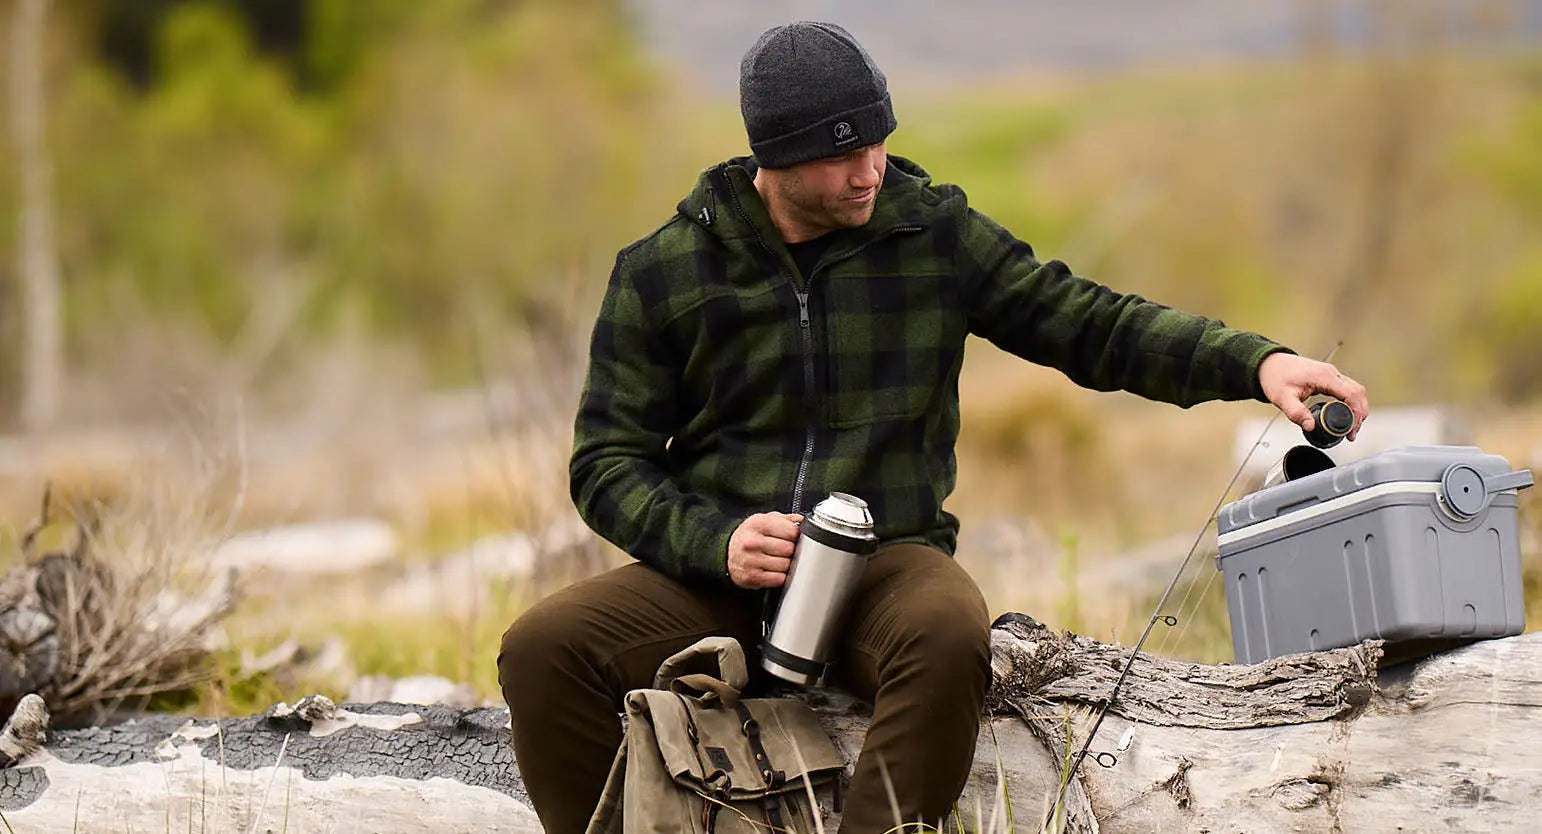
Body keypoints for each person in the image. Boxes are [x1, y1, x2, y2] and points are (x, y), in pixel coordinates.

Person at [498, 20, 1370, 833]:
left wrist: (1254, 364)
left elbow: (1088, 322)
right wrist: (716, 540)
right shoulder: (662, 273)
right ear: (776, 159)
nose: (870, 169)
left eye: (878, 139)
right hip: (717, 576)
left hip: (887, 564)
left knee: (952, 632)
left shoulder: (932, 233)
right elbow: (606, 463)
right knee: (543, 648)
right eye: (842, 155)